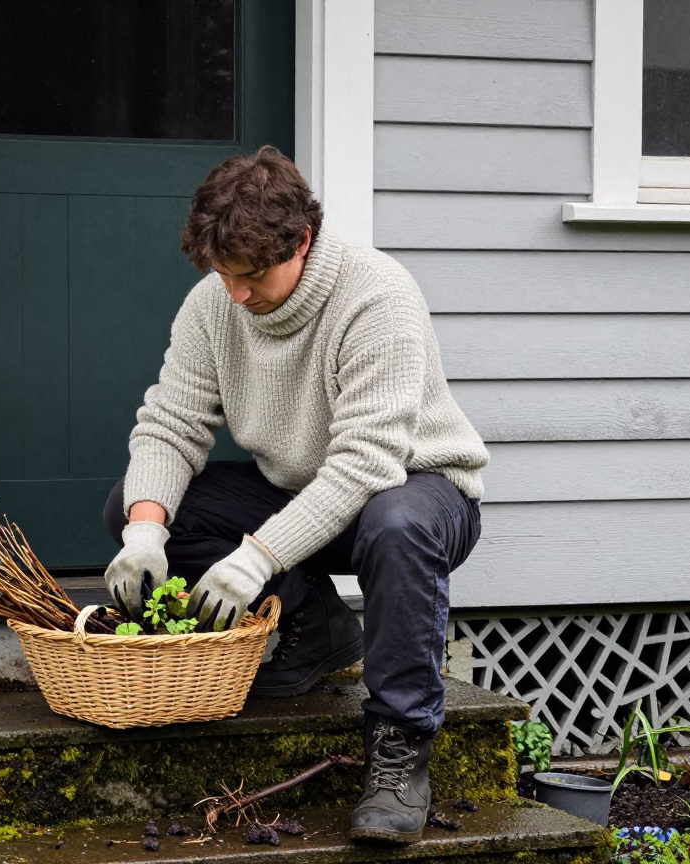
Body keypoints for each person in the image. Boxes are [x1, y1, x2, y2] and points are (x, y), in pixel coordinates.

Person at [102, 146, 489, 845]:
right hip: (302, 491)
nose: (237, 295)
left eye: (252, 275)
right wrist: (145, 530)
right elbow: (171, 424)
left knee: (395, 525)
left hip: (417, 488)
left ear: (301, 242)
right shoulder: (214, 306)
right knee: (134, 501)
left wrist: (256, 560)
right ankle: (320, 629)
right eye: (223, 275)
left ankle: (400, 749)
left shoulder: (377, 295)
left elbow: (367, 463)